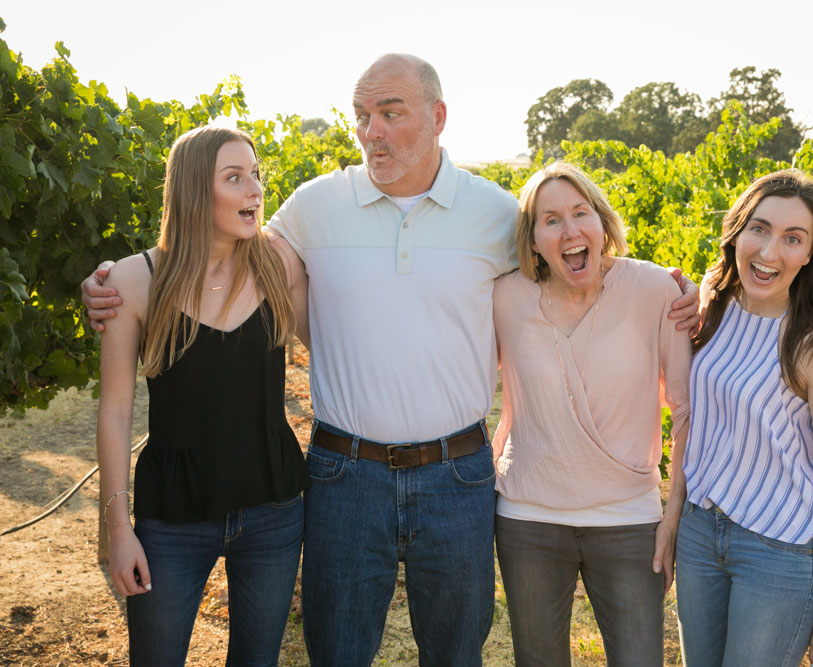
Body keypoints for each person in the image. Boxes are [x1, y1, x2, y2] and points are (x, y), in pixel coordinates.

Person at [83, 54, 701, 666]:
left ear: (437, 116)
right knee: (338, 649)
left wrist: (672, 289)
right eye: (361, 115)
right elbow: (220, 261)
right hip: (343, 475)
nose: (370, 131)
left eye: (389, 113)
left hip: (456, 477)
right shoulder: (314, 206)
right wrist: (122, 282)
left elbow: (570, 260)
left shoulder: (492, 213)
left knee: (457, 652)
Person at [95, 126, 311, 666]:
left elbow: (346, 342)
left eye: (256, 175)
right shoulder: (134, 280)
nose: (254, 190)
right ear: (194, 189)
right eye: (234, 178)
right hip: (172, 520)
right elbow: (116, 412)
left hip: (273, 510)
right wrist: (117, 530)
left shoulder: (279, 266)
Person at [491, 162, 691, 666]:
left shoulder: (654, 290)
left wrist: (672, 516)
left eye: (582, 213)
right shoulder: (505, 297)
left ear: (602, 225)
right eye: (551, 219)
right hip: (528, 519)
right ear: (533, 241)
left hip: (629, 520)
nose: (570, 229)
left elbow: (687, 413)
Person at [667, 169, 813, 667]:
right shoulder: (715, 301)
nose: (770, 252)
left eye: (793, 238)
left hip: (779, 552)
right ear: (738, 232)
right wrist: (673, 517)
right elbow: (691, 417)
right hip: (699, 535)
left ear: (810, 254)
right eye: (760, 228)